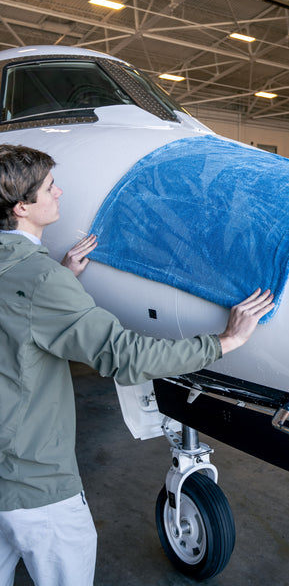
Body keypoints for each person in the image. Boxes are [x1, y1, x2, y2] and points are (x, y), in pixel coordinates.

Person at [0, 143, 274, 586]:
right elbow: (127, 357)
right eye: (49, 188)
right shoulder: (40, 279)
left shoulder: (34, 276)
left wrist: (61, 280)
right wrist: (224, 341)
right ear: (21, 208)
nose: (60, 192)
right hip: (34, 487)